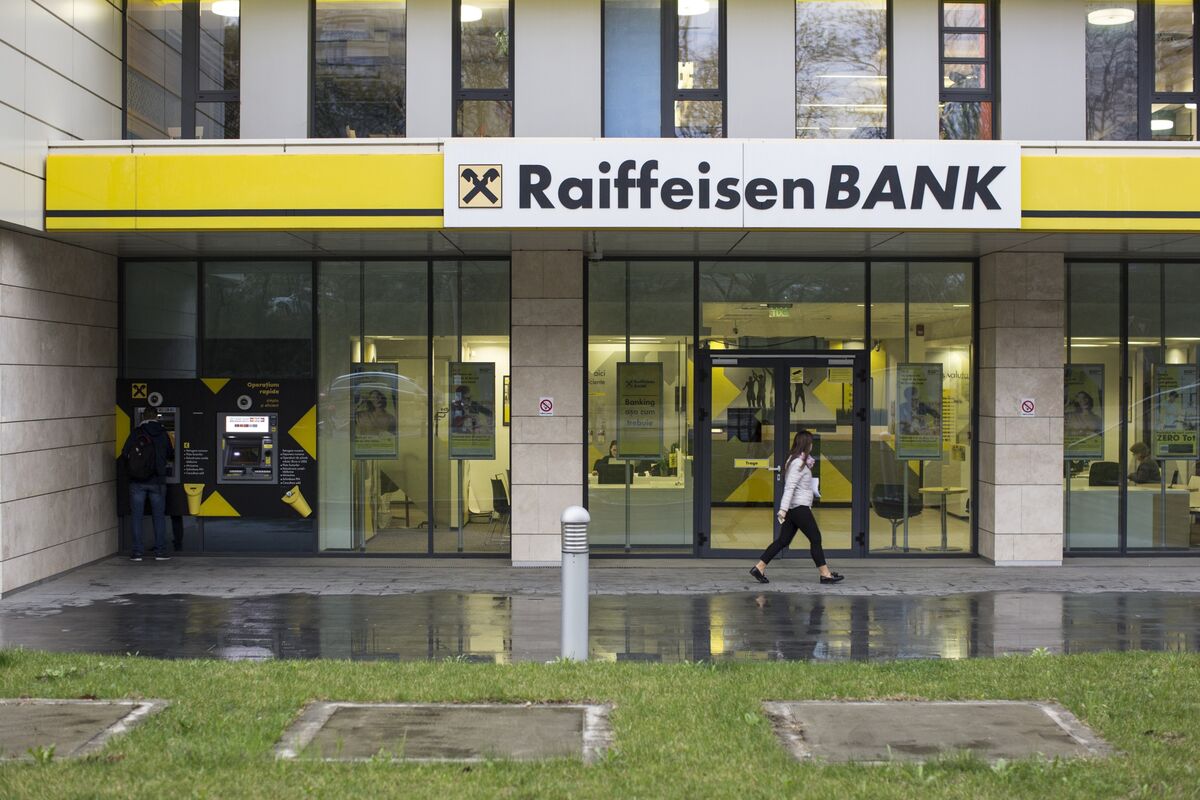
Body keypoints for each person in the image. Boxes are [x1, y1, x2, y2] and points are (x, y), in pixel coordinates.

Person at [749, 430, 843, 585]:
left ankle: (759, 567)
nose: (812, 445)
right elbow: (790, 487)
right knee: (815, 538)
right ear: (806, 444)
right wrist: (783, 509)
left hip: (796, 507)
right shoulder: (797, 463)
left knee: (783, 540)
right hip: (799, 507)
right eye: (811, 442)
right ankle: (825, 574)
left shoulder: (799, 460)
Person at [121, 417, 174, 561]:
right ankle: (160, 552)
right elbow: (171, 454)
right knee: (159, 517)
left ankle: (137, 552)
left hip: (137, 481)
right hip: (157, 481)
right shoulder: (163, 433)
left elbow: (125, 453)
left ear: (143, 417)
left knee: (137, 517)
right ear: (156, 417)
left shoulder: (136, 433)